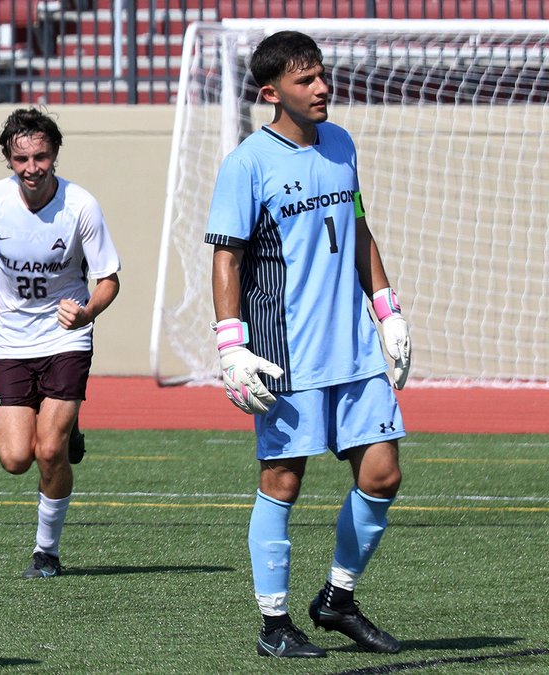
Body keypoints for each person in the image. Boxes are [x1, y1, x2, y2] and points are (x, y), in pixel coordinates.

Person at [205, 31, 412, 658]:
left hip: (353, 346)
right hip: (283, 351)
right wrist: (230, 342)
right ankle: (274, 625)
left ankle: (337, 599)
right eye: (305, 80)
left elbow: (356, 224)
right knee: (283, 480)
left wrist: (387, 308)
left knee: (383, 472)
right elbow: (226, 257)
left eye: (322, 75)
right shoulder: (248, 162)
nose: (322, 88)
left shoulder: (342, 143)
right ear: (272, 93)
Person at [0, 107, 121, 579]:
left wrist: (86, 311)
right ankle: (66, 429)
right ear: (8, 158)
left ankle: (45, 553)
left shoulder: (81, 206)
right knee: (14, 459)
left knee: (49, 451)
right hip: (11, 341)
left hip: (66, 338)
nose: (31, 168)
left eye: (41, 157)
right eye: (21, 158)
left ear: (55, 155)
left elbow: (109, 279)